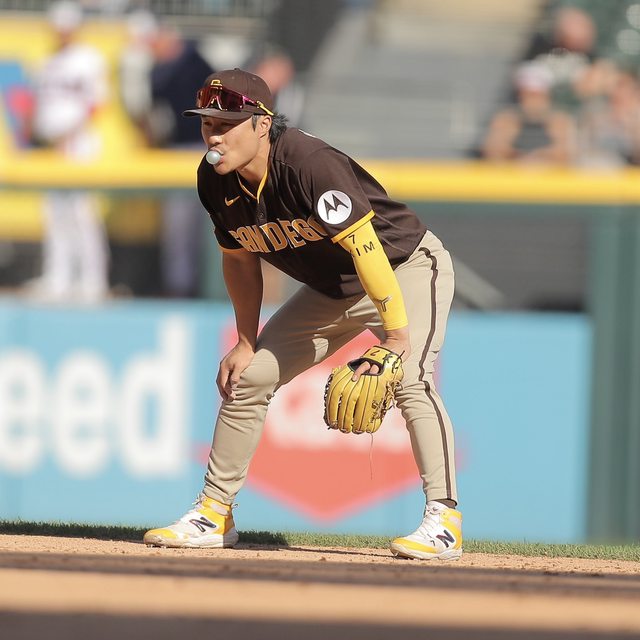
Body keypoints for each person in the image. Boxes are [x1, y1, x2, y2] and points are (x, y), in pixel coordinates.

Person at [143, 69, 462, 561]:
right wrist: (245, 340)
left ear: (261, 124)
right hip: (332, 289)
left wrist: (396, 338)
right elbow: (238, 260)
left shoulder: (308, 163)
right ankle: (214, 513)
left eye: (227, 124)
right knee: (249, 377)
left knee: (410, 379)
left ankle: (444, 521)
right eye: (207, 123)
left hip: (404, 268)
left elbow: (366, 248)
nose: (214, 135)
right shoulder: (214, 178)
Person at [28, 1, 110, 302]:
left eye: (65, 27)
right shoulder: (48, 60)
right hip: (53, 145)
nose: (61, 32)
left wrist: (68, 135)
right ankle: (58, 278)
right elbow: (41, 106)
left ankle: (93, 281)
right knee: (54, 214)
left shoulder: (88, 58)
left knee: (82, 212)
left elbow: (97, 103)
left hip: (78, 143)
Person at [481, 62, 577, 165]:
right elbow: (493, 152)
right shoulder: (505, 120)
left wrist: (535, 158)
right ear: (519, 95)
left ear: (547, 95)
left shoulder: (560, 121)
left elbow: (564, 154)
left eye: (538, 94)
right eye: (528, 94)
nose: (533, 101)